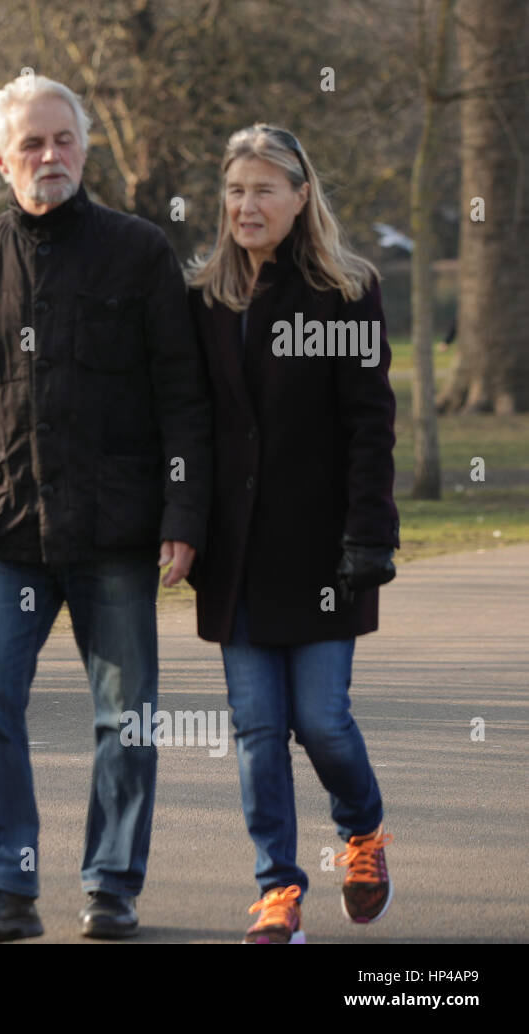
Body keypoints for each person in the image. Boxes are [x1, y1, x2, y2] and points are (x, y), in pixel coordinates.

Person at [0, 74, 212, 943]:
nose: (51, 157)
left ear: (84, 147)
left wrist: (184, 514)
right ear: (1, 159)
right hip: (0, 530)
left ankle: (111, 887)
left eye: (64, 141)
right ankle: (5, 887)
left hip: (117, 531)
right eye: (33, 144)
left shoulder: (140, 252)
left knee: (127, 717)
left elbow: (183, 398)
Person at [186, 124, 398, 944]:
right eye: (236, 190)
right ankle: (278, 889)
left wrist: (369, 535)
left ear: (302, 197)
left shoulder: (347, 290)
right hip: (236, 555)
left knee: (323, 721)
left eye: (264, 189)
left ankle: (364, 833)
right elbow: (189, 422)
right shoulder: (204, 297)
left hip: (324, 551)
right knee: (256, 728)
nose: (247, 205)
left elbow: (369, 425)